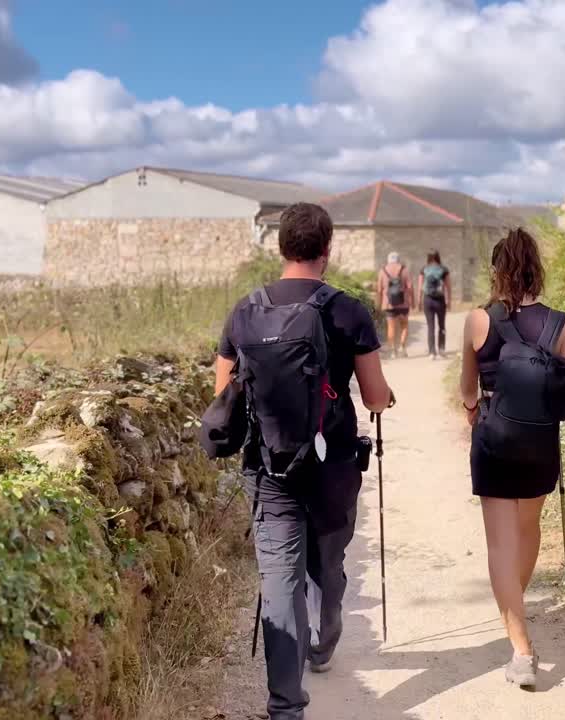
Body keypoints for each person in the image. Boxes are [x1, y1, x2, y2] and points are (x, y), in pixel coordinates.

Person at [215, 203, 392, 720]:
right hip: (333, 466)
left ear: (281, 247)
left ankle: (285, 707)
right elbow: (376, 396)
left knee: (279, 579)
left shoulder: (245, 312)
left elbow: (224, 392)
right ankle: (325, 636)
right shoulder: (348, 310)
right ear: (327, 249)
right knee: (328, 565)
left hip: (268, 467)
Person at [458, 228, 565, 689]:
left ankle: (522, 650)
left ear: (497, 271)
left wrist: (473, 410)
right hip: (540, 442)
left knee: (498, 547)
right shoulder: (559, 323)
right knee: (529, 528)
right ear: (536, 268)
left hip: (494, 437)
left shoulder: (477, 320)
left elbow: (468, 388)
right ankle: (514, 607)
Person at [416, 251, 452, 360]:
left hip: (428, 300)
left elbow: (420, 287)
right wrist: (449, 300)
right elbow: (448, 286)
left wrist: (419, 301)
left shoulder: (424, 269)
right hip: (440, 300)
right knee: (441, 326)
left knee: (430, 326)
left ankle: (432, 352)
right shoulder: (444, 269)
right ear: (438, 257)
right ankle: (441, 349)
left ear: (428, 257)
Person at [377, 251, 411, 357]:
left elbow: (379, 289)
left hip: (388, 304)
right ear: (398, 259)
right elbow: (409, 287)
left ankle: (392, 352)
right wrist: (413, 302)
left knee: (391, 327)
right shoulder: (404, 269)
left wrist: (379, 304)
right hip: (403, 303)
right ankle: (402, 347)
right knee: (404, 325)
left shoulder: (383, 271)